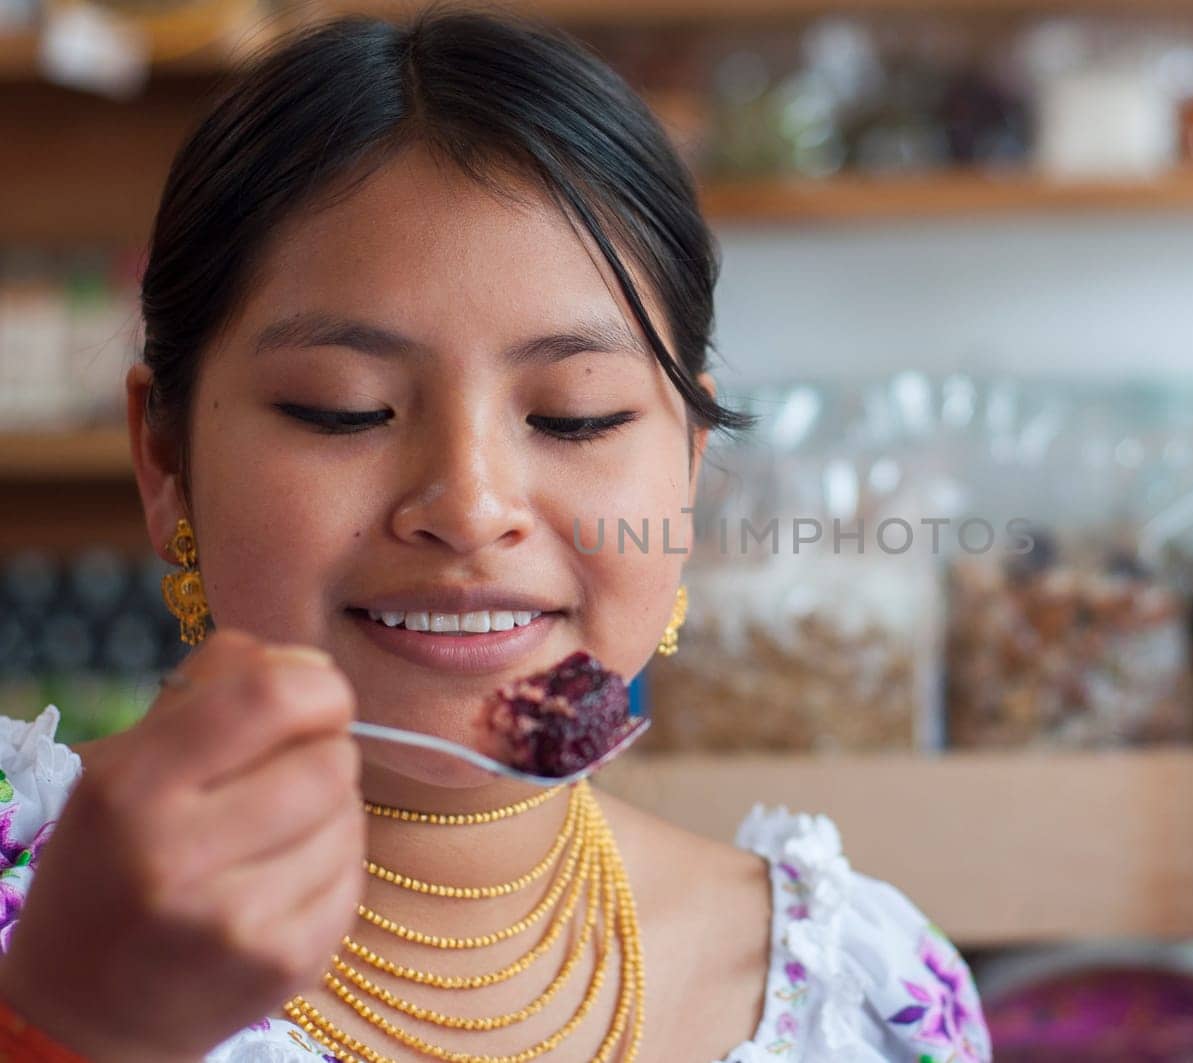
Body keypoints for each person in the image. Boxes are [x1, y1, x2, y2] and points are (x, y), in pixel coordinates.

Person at [0, 8, 992, 1063]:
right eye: (345, 408)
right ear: (165, 459)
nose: (470, 507)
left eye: (576, 415)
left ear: (688, 472)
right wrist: (69, 1026)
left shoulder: (865, 994)